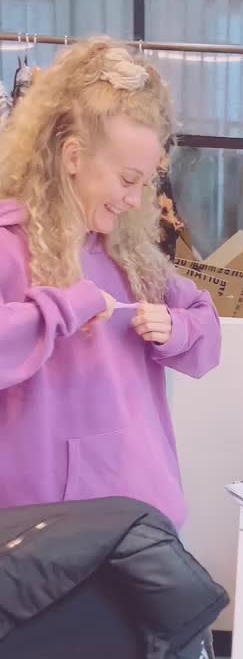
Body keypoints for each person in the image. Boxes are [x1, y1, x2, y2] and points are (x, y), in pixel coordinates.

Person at [0, 38, 221, 529]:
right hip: (40, 537)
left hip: (139, 523)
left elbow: (207, 332)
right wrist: (66, 306)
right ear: (73, 156)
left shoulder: (129, 254)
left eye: (146, 182)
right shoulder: (9, 245)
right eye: (127, 179)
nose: (136, 200)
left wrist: (177, 329)